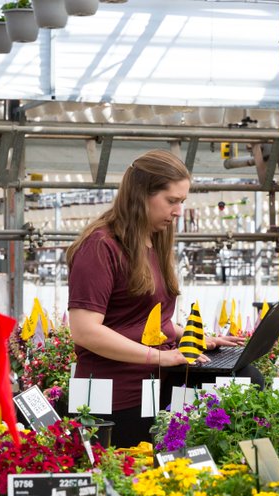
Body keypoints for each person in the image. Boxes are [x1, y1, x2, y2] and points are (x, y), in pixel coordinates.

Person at [67, 150, 244, 448]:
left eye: (182, 202)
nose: (177, 211)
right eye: (171, 201)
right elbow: (85, 331)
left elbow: (147, 319)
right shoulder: (100, 247)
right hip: (112, 400)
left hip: (152, 390)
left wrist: (193, 336)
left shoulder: (153, 241)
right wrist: (161, 356)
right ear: (139, 195)